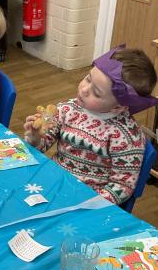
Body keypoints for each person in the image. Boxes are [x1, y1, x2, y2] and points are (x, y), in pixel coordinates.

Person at [23, 46, 158, 205]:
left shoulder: (126, 137)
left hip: (86, 200)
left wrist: (90, 202)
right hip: (53, 182)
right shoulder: (68, 109)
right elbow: (41, 146)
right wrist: (35, 137)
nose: (84, 89)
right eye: (88, 78)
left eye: (97, 93)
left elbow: (122, 186)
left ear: (119, 107)